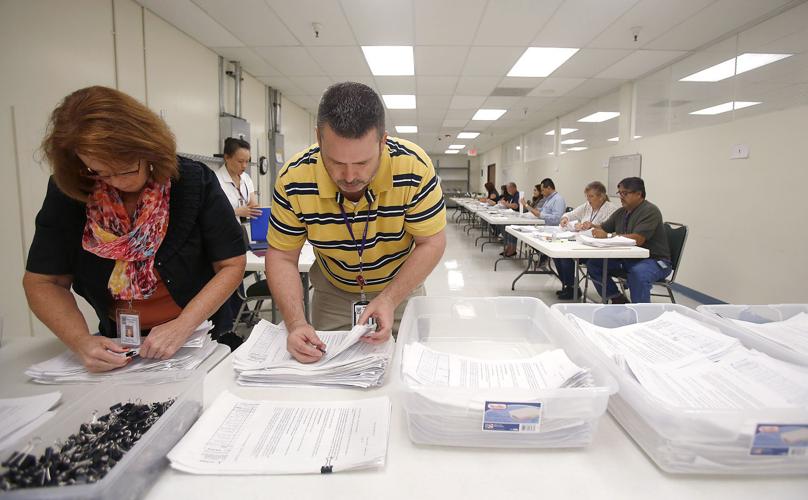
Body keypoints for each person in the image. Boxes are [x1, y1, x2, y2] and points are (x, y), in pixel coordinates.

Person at [23, 86, 247, 372]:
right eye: (100, 171)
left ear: (148, 147)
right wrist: (80, 341)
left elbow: (231, 264)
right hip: (119, 344)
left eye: (126, 168)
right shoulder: (71, 192)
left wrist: (183, 325)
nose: (116, 181)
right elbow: (43, 282)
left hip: (198, 337)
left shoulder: (191, 181)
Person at [266, 82, 447, 363]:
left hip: (401, 287)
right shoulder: (294, 179)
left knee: (410, 370)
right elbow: (281, 257)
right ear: (319, 138)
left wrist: (389, 298)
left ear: (382, 142)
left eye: (362, 163)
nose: (349, 176)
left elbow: (432, 242)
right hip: (333, 291)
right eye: (335, 161)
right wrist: (297, 323)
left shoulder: (414, 168)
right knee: (328, 373)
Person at [587, 177, 672, 304]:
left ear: (638, 194)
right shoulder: (622, 212)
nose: (621, 197)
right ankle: (617, 298)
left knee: (638, 273)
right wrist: (590, 226)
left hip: (655, 260)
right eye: (619, 193)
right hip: (629, 258)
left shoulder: (650, 211)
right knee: (594, 264)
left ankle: (641, 314)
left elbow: (638, 239)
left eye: (625, 193)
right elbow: (604, 228)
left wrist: (609, 236)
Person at [554, 181, 618, 300]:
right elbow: (570, 214)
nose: (588, 200)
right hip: (583, 243)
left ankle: (572, 287)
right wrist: (565, 219)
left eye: (591, 196)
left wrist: (591, 226)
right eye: (587, 196)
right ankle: (570, 286)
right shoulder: (587, 206)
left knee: (565, 256)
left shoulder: (611, 209)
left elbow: (609, 230)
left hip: (598, 248)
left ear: (601, 197)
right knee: (558, 254)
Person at [215, 137, 262, 223]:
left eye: (247, 161)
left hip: (243, 230)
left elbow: (253, 205)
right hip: (224, 231)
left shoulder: (246, 178)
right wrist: (236, 212)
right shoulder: (215, 180)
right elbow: (211, 213)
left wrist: (255, 209)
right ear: (227, 158)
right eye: (240, 161)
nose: (244, 166)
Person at [499, 182, 521, 257]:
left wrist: (506, 204)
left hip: (517, 217)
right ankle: (508, 246)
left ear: (514, 188)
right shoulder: (511, 196)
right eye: (507, 189)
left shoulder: (518, 195)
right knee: (503, 226)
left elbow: (515, 206)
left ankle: (513, 249)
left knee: (510, 228)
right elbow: (509, 204)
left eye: (509, 188)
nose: (508, 190)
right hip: (511, 215)